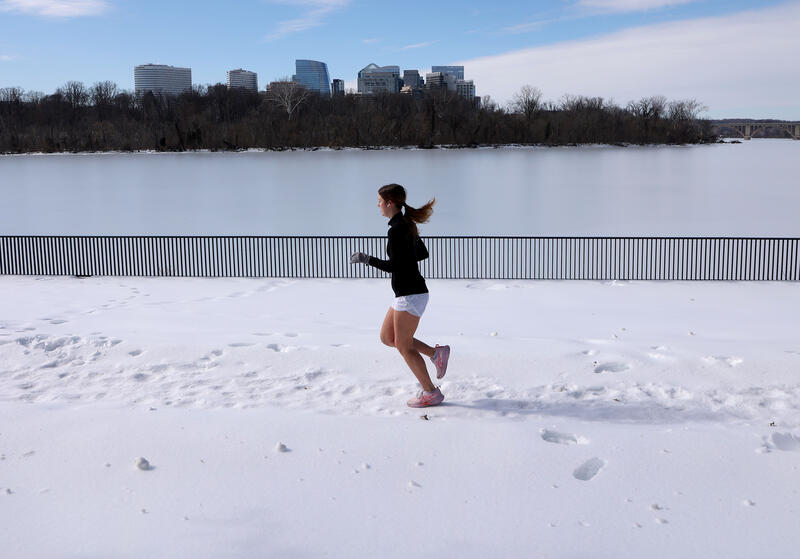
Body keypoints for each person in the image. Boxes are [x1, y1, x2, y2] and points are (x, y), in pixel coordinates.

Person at [350, 183, 451, 408]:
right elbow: (422, 253)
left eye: (379, 201)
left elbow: (394, 265)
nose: (377, 205)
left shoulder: (398, 229)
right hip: (406, 293)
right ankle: (436, 354)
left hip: (411, 294)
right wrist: (407, 253)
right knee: (388, 338)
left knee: (404, 346)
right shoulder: (405, 223)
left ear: (389, 203)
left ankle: (430, 392)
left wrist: (368, 259)